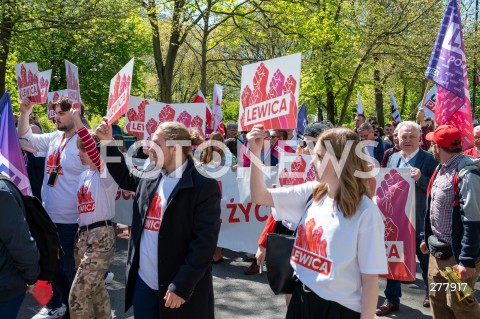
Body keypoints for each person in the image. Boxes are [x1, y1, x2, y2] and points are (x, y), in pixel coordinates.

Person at [248, 126, 388, 319]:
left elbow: (371, 281)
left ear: (342, 161)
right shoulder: (312, 192)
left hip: (339, 310)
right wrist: (255, 152)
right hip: (301, 299)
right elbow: (259, 196)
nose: (312, 162)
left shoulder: (366, 212)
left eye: (320, 157)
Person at [96, 120, 221, 319]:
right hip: (144, 285)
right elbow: (124, 176)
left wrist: (182, 285)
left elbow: (204, 245)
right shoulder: (149, 175)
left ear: (174, 149)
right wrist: (106, 143)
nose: (148, 149)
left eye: (156, 144)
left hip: (177, 290)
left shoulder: (203, 186)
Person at [19, 96, 86, 319]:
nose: (55, 117)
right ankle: (57, 305)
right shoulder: (54, 138)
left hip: (73, 220)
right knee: (50, 266)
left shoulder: (85, 141)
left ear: (75, 113)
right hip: (50, 218)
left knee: (67, 270)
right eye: (55, 113)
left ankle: (71, 309)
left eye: (61, 113)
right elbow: (24, 136)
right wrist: (26, 113)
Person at [375, 121, 438, 316]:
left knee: (426, 261)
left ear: (419, 138)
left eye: (412, 136)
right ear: (397, 138)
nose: (407, 140)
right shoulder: (393, 158)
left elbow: (437, 190)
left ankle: (431, 294)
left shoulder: (428, 160)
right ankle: (391, 299)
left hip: (420, 220)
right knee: (393, 258)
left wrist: (421, 179)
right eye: (404, 136)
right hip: (397, 221)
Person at [421, 125, 480, 319]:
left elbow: (473, 220)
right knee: (437, 299)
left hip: (457, 260)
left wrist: (467, 260)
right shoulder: (441, 168)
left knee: (460, 303)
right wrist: (426, 236)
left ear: (437, 147)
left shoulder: (467, 172)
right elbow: (433, 208)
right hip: (437, 254)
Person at [68, 109, 118, 319]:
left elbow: (92, 147)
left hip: (101, 237)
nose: (80, 153)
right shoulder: (83, 176)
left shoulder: (105, 174)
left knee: (77, 296)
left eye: (84, 150)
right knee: (96, 292)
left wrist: (77, 122)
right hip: (83, 238)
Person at [0, 176, 40, 318]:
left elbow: (19, 241)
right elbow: (20, 242)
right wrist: (31, 277)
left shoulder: (3, 192)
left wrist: (31, 276)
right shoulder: (3, 192)